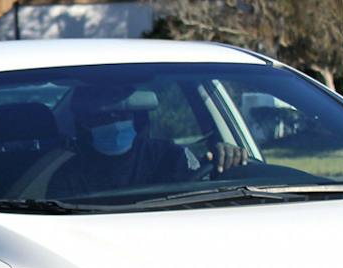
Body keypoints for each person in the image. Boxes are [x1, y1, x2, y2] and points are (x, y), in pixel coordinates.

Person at [47, 83, 247, 198]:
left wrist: (226, 157)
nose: (114, 124)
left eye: (122, 115)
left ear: (137, 119)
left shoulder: (171, 156)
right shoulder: (68, 175)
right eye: (102, 118)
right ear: (84, 125)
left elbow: (204, 191)